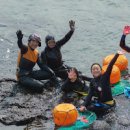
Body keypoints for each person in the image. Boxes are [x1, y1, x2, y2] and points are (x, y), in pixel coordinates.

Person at [79, 51, 124, 116]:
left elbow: (110, 65)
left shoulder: (105, 77)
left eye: (97, 69)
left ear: (101, 70)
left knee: (91, 107)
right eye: (93, 69)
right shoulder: (92, 82)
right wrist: (83, 105)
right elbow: (89, 95)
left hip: (109, 104)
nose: (95, 70)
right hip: (100, 102)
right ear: (91, 72)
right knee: (84, 102)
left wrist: (117, 54)